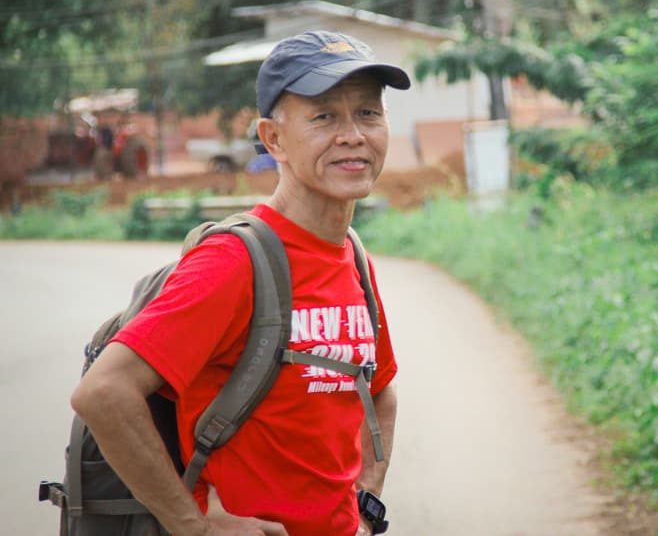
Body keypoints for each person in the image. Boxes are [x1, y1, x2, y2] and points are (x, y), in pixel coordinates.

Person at [71, 30, 410, 536]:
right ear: (273, 138)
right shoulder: (233, 262)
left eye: (367, 113)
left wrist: (365, 501)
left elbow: (378, 388)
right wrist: (194, 525)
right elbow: (104, 392)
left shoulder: (351, 254)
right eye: (324, 117)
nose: (352, 135)